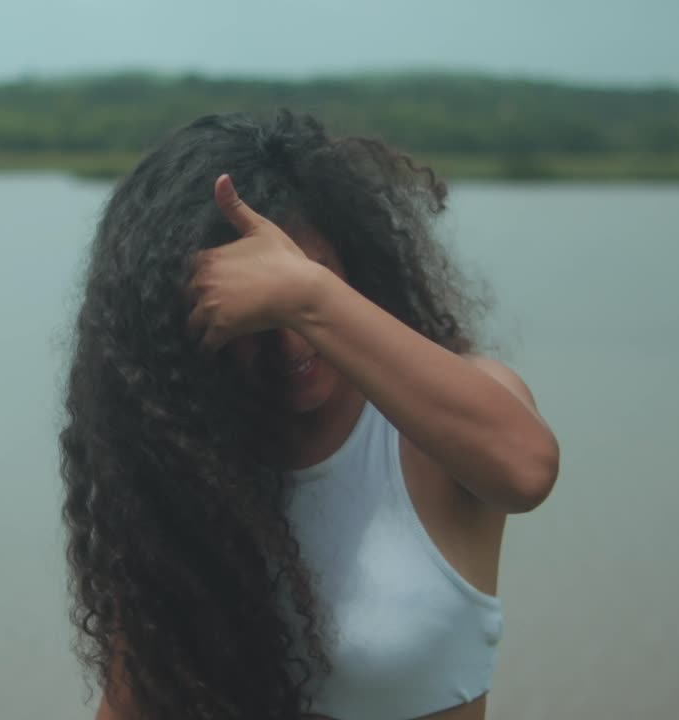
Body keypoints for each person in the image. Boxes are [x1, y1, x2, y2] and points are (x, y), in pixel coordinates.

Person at [60, 109, 559, 720]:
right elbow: (132, 699)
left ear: (352, 267)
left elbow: (527, 472)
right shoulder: (185, 464)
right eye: (257, 316)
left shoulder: (437, 419)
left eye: (309, 291)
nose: (292, 342)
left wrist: (304, 293)